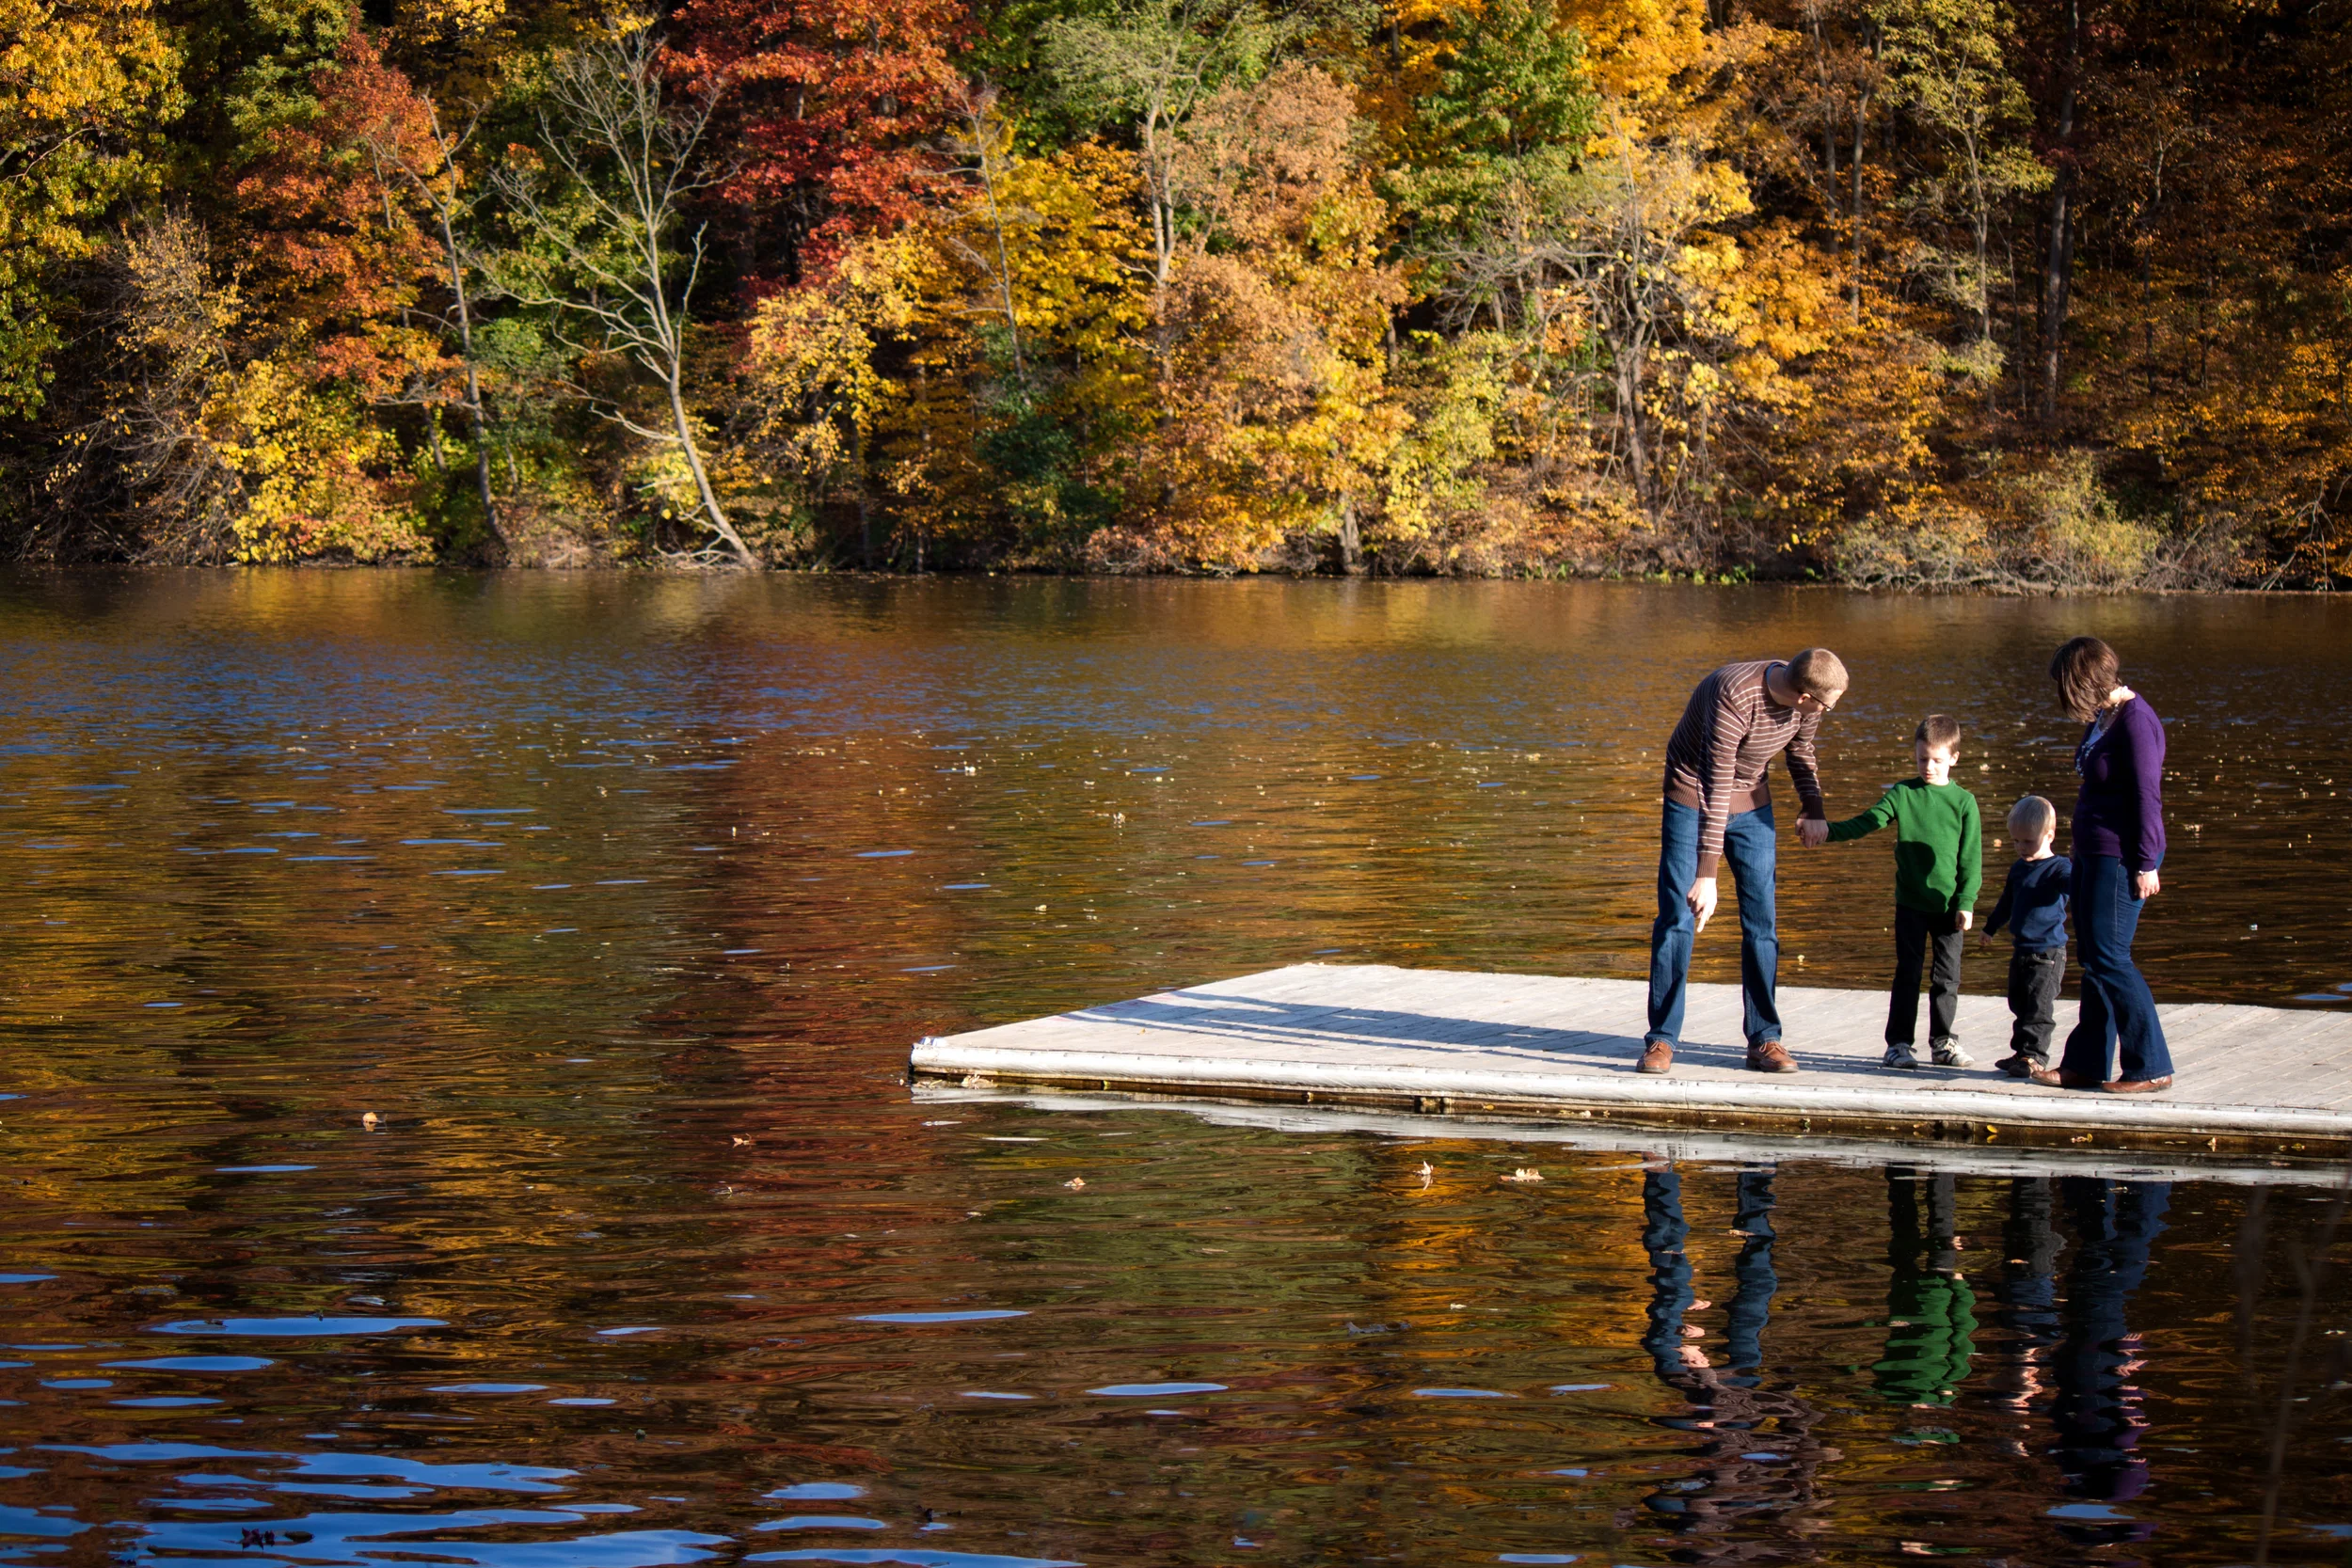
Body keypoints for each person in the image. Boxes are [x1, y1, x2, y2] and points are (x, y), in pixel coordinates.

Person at [1639, 649, 1847, 1076]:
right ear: (1805, 695)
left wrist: (1814, 807)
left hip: (1752, 801)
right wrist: (1707, 873)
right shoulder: (1735, 693)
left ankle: (1764, 1037)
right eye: (1826, 706)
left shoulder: (1805, 704)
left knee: (1762, 921)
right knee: (1678, 915)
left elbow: (1801, 751)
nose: (1827, 712)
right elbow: (1715, 781)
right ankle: (1661, 1038)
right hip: (1693, 793)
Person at [2034, 637, 2172, 1093]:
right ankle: (2086, 1065)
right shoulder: (2105, 717)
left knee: (2111, 958)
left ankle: (2151, 1066)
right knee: (2095, 959)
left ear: (2083, 681)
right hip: (2093, 852)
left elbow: (2146, 798)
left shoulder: (2136, 722)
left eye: (2064, 683)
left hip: (2124, 856)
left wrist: (2147, 862)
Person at [1822, 714, 1983, 1070]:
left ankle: (1943, 1042)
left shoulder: (1964, 802)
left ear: (1954, 759)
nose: (1928, 767)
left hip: (1948, 907)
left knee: (1947, 977)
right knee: (1907, 974)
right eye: (1922, 759)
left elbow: (1971, 860)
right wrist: (1827, 831)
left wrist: (1966, 903)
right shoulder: (1903, 793)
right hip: (1910, 904)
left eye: (1937, 761)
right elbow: (1867, 821)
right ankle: (1898, 1045)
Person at [1983, 795, 2072, 1079]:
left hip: (2048, 952)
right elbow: (2006, 902)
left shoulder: (2060, 869)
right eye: (2016, 841)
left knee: (2039, 1007)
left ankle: (2034, 1057)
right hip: (2021, 949)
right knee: (2019, 1003)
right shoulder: (2019, 868)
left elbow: (2075, 886)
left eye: (2028, 842)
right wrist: (1990, 927)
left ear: (2049, 835)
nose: (2021, 848)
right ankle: (2021, 1052)